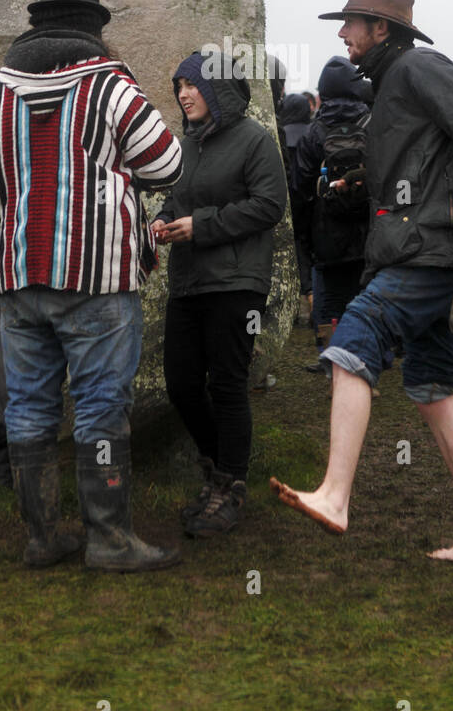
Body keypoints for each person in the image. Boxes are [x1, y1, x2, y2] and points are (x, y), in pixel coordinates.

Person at [271, 0, 453, 561]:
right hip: (433, 247)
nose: (342, 34)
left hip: (431, 251)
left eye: (351, 24)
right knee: (433, 388)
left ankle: (336, 495)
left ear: (381, 29)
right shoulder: (392, 84)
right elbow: (427, 160)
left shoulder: (418, 66)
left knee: (355, 337)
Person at [0, 0, 183, 572]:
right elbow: (166, 164)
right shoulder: (112, 86)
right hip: (99, 278)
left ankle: (42, 539)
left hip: (18, 276)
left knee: (28, 404)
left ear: (36, 25)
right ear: (92, 28)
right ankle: (109, 540)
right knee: (102, 403)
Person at [154, 50, 287, 536]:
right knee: (181, 383)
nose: (184, 95)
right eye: (180, 87)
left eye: (192, 86)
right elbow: (175, 196)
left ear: (218, 90)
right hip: (188, 281)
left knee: (227, 383)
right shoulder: (185, 145)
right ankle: (217, 470)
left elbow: (270, 206)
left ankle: (230, 486)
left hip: (236, 282)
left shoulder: (254, 140)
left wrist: (202, 225)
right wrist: (162, 220)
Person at [293, 57, 371, 372]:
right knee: (364, 297)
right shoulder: (372, 123)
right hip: (369, 229)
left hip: (327, 231)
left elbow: (300, 186)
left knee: (330, 302)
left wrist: (304, 231)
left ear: (323, 91)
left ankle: (333, 363)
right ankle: (367, 358)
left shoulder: (315, 131)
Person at [279, 92, 316, 324]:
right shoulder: (311, 135)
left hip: (286, 205)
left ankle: (294, 306)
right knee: (307, 247)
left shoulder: (280, 136)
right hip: (310, 204)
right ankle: (312, 298)